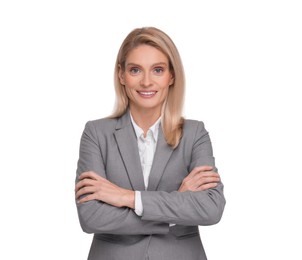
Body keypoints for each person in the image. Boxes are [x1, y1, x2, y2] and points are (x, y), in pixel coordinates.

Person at [75, 27, 226, 260]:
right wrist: (176, 205)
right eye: (135, 70)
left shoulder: (195, 133)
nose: (147, 81)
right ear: (121, 75)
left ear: (171, 76)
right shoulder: (96, 133)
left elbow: (211, 209)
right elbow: (91, 216)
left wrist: (127, 197)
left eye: (158, 70)